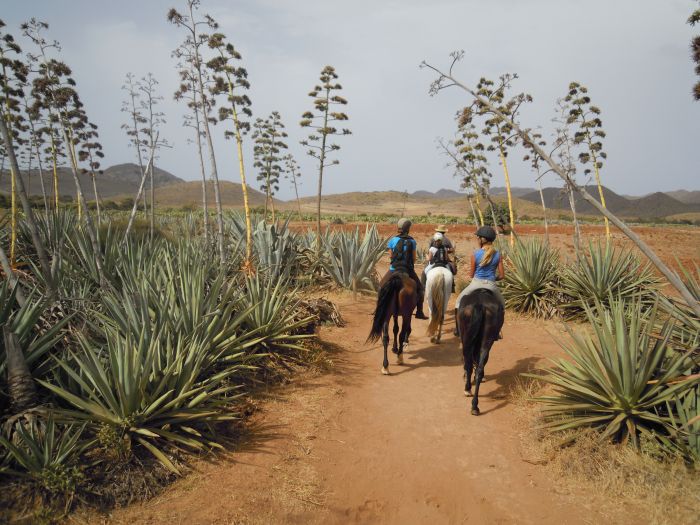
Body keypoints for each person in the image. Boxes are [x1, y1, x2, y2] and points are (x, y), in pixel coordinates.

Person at [381, 218, 427, 319]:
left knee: (381, 286)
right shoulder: (412, 241)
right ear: (408, 228)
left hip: (393, 269)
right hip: (408, 270)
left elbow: (391, 256)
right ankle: (419, 311)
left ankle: (379, 308)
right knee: (420, 289)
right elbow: (414, 258)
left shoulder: (393, 240)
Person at [455, 225, 505, 309]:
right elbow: (502, 276)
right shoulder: (498, 255)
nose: (477, 240)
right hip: (491, 285)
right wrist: (492, 278)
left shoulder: (475, 255)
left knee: (459, 302)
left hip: (476, 284)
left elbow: (471, 275)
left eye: (478, 238)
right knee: (502, 305)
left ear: (482, 240)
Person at [421, 225, 456, 296]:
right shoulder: (447, 240)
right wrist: (446, 251)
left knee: (424, 272)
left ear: (437, 231)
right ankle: (452, 286)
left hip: (433, 262)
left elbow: (429, 250)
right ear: (444, 232)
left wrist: (427, 256)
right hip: (444, 262)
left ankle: (423, 287)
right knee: (451, 272)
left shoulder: (432, 239)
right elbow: (451, 250)